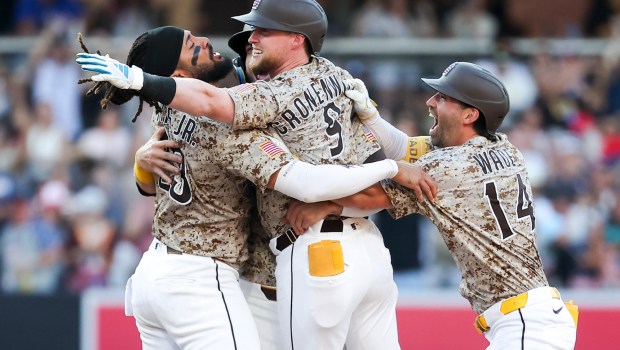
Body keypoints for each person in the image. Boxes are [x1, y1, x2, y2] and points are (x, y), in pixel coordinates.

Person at [75, 0, 437, 348]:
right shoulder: (228, 122)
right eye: (193, 45)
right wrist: (141, 155)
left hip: (187, 273)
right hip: (221, 278)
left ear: (296, 40)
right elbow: (219, 111)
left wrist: (332, 202)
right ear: (180, 77)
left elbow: (156, 174)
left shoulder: (170, 112)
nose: (244, 49)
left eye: (259, 40)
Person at [321, 62, 578, 349]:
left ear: (470, 114)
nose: (430, 101)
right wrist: (372, 117)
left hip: (526, 326)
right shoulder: (504, 148)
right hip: (534, 317)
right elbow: (407, 147)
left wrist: (313, 199)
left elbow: (363, 198)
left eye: (443, 98)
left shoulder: (451, 166)